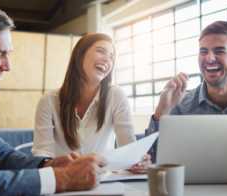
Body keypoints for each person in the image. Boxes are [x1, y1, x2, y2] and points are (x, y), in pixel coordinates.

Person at [0, 1, 108, 196]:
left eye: (8, 54)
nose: (7, 66)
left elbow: (1, 156)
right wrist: (63, 178)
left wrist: (48, 165)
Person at [146, 21, 227, 163]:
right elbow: (155, 161)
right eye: (203, 51)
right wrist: (162, 111)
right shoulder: (182, 106)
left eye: (219, 51)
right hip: (198, 185)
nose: (209, 58)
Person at [31, 33, 151, 174]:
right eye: (100, 51)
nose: (107, 59)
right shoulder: (48, 102)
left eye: (112, 57)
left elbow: (129, 151)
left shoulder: (116, 96)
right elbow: (42, 156)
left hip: (103, 182)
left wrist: (138, 162)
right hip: (63, 182)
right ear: (80, 56)